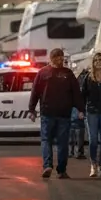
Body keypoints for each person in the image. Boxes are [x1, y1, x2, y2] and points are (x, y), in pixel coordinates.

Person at [27, 47, 81, 179]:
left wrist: (81, 109)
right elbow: (35, 92)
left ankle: (49, 166)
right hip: (54, 113)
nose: (60, 60)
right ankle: (59, 170)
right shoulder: (49, 73)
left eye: (61, 57)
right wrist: (32, 109)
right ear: (51, 58)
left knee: (48, 140)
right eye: (57, 57)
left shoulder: (65, 73)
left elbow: (76, 92)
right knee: (58, 142)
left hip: (55, 113)